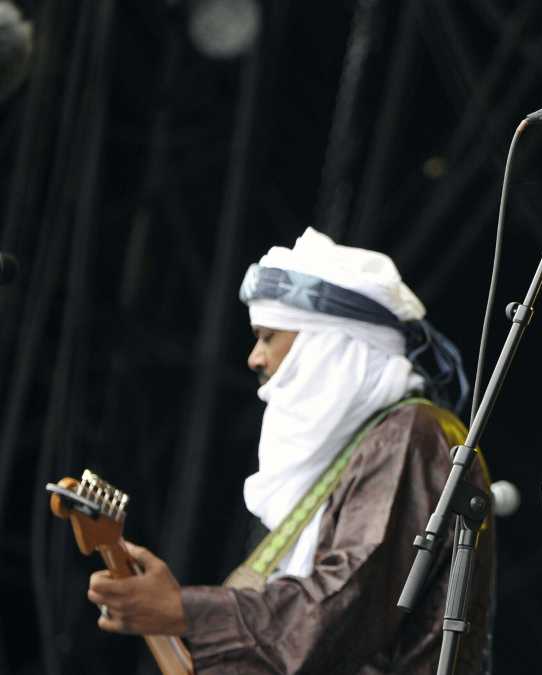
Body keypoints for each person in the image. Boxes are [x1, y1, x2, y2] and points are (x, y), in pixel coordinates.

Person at [86, 228, 494, 674]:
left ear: (329, 342)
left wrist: (186, 610)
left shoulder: (413, 434)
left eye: (267, 336)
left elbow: (341, 609)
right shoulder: (365, 450)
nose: (254, 359)